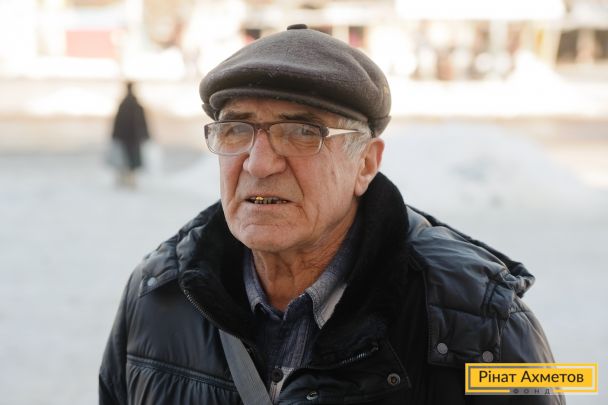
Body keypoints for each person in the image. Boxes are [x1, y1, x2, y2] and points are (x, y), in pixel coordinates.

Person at [99, 25, 563, 404]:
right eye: (237, 129)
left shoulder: (481, 322)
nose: (259, 163)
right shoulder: (156, 296)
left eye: (302, 132)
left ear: (366, 163)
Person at [109, 81, 150, 188]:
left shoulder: (125, 105)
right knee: (131, 158)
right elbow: (142, 123)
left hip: (126, 137)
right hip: (133, 137)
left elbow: (118, 123)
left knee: (125, 157)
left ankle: (127, 178)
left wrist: (115, 135)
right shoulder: (136, 106)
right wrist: (145, 135)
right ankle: (130, 178)